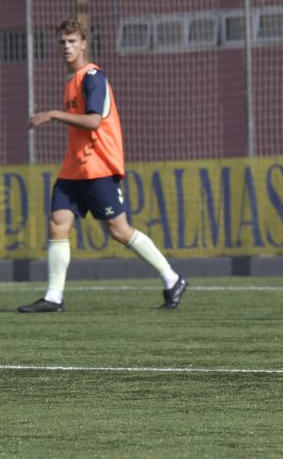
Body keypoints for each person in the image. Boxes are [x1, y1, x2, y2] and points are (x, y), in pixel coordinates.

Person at [17, 19, 187, 313]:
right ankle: (54, 297)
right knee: (58, 225)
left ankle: (172, 279)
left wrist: (53, 114)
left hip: (99, 167)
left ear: (84, 43)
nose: (67, 47)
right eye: (62, 42)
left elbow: (94, 121)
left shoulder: (93, 76)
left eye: (72, 41)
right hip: (73, 169)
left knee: (119, 231)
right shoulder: (71, 80)